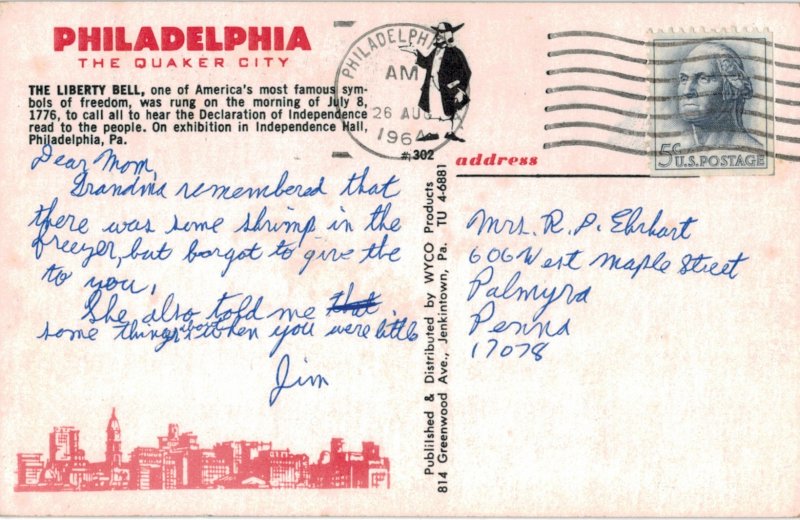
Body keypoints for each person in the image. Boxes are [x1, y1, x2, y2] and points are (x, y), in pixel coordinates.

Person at [676, 41, 762, 149]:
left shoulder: (754, 152)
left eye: (704, 78)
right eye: (683, 79)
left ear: (732, 90)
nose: (687, 91)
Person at [401, 22, 471, 142]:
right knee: (432, 109)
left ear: (448, 34)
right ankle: (432, 133)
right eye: (438, 32)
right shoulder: (435, 50)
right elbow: (426, 63)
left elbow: (466, 72)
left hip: (446, 88)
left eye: (441, 32)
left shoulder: (455, 52)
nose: (438, 35)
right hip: (432, 86)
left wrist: (459, 88)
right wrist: (415, 52)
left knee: (448, 110)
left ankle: (451, 132)